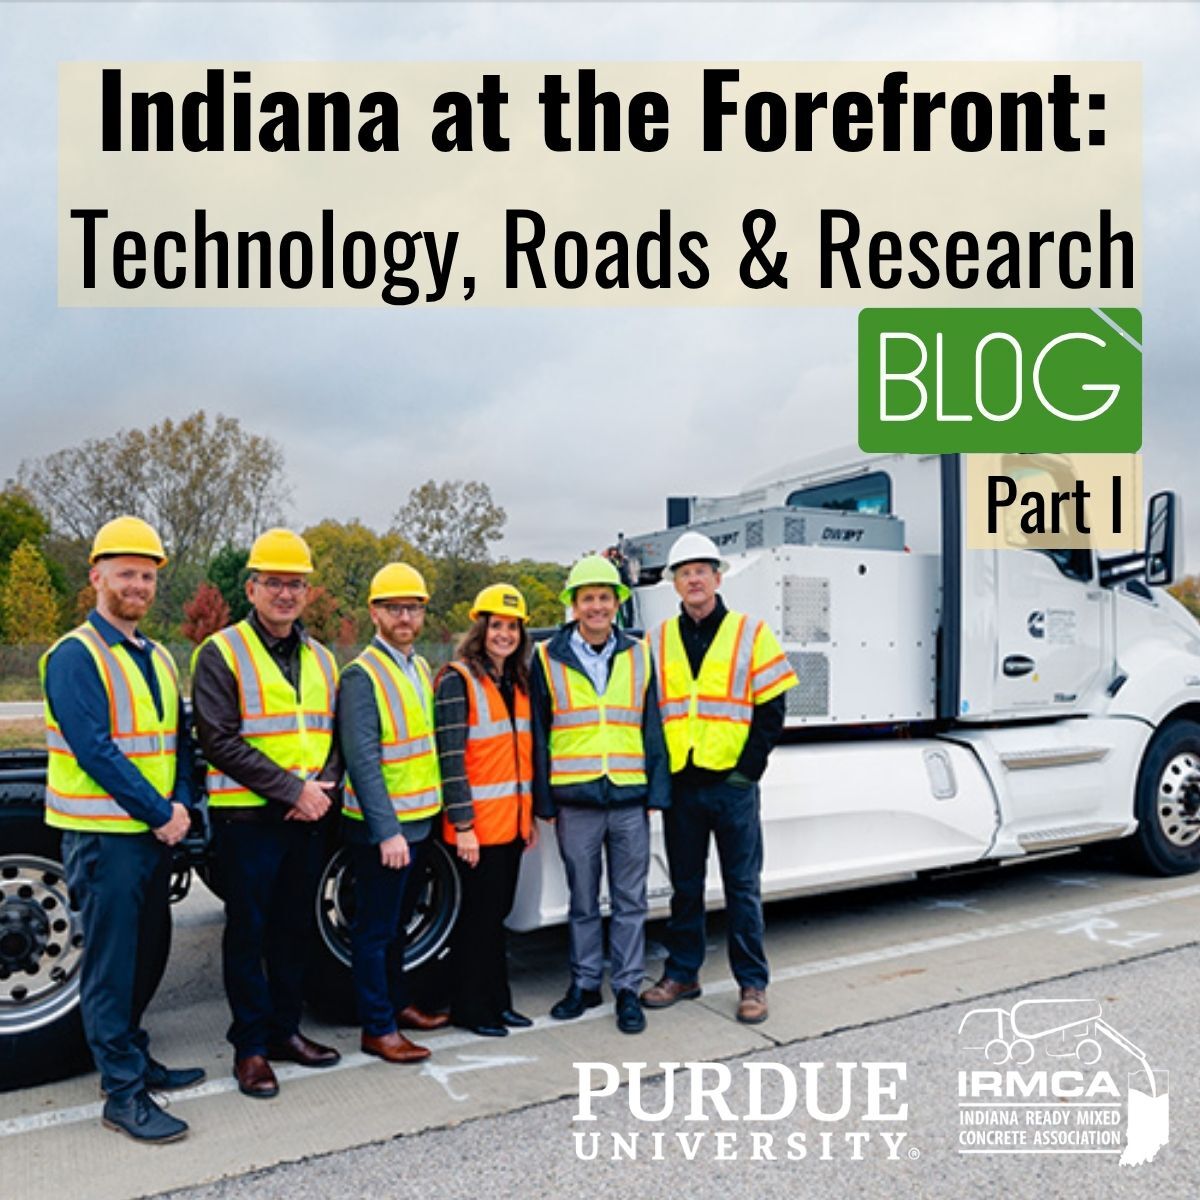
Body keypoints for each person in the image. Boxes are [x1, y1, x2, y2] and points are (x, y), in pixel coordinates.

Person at [41, 516, 201, 1143]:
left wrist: (181, 801)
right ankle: (122, 1094)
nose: (138, 585)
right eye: (126, 573)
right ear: (97, 577)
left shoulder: (157, 655)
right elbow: (95, 750)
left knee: (145, 956)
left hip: (152, 835)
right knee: (110, 967)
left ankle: (135, 1055)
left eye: (147, 575)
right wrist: (162, 813)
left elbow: (177, 741)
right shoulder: (73, 656)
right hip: (105, 839)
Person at [192, 528, 341, 1098]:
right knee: (249, 934)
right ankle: (250, 1048)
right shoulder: (221, 652)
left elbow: (331, 735)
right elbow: (220, 740)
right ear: (251, 588)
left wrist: (326, 783)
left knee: (294, 931)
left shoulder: (323, 658)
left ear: (308, 592)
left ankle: (285, 1032)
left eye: (295, 584)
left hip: (307, 819)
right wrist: (293, 791)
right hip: (248, 823)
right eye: (273, 583)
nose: (285, 593)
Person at [640, 531, 798, 1025]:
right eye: (684, 573)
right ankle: (683, 973)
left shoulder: (751, 632)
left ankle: (752, 983)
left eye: (701, 571)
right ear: (674, 583)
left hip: (732, 786)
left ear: (717, 576)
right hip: (684, 785)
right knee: (685, 887)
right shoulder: (659, 638)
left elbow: (772, 709)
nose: (693, 580)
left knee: (742, 887)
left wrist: (746, 772)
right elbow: (648, 712)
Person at [531, 555, 669, 1035]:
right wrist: (544, 800)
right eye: (586, 598)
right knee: (583, 900)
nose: (595, 606)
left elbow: (652, 724)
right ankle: (586, 983)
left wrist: (657, 790)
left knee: (631, 900)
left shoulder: (638, 652)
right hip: (576, 801)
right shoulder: (546, 657)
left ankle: (628, 988)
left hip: (629, 798)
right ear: (573, 605)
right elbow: (538, 731)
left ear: (617, 604)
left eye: (604, 598)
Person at [338, 562, 447, 1063]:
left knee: (399, 926)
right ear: (375, 613)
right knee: (375, 931)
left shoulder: (418, 666)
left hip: (419, 822)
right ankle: (377, 1027)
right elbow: (363, 760)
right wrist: (387, 831)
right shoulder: (362, 674)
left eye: (413, 607)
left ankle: (399, 1004)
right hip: (385, 831)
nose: (405, 617)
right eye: (394, 608)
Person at [434, 583, 536, 1038]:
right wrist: (464, 825)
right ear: (480, 629)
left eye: (512, 627)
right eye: (496, 625)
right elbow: (450, 759)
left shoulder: (517, 682)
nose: (504, 634)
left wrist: (526, 817)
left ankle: (499, 1001)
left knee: (496, 919)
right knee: (476, 921)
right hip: (475, 830)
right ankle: (470, 1008)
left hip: (511, 825)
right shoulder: (458, 680)